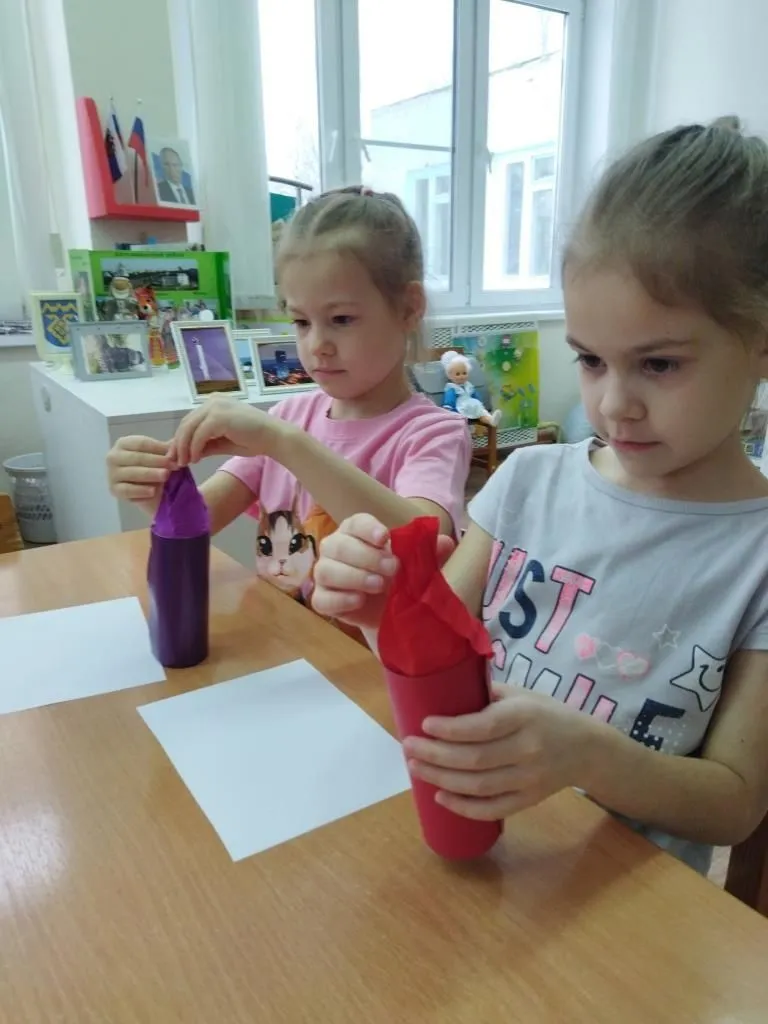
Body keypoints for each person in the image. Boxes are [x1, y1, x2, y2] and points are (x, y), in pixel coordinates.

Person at [312, 117, 768, 874]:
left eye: (658, 364)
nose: (613, 404)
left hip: (619, 901)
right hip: (474, 853)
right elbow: (428, 657)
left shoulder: (755, 552)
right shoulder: (527, 481)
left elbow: (736, 801)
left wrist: (590, 756)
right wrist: (377, 609)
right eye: (590, 360)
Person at [107, 186, 471, 615]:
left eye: (341, 319)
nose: (317, 345)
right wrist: (154, 489)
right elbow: (200, 520)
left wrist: (285, 443)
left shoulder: (434, 433)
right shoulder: (289, 418)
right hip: (289, 639)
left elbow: (420, 546)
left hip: (368, 655)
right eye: (300, 321)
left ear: (409, 308)